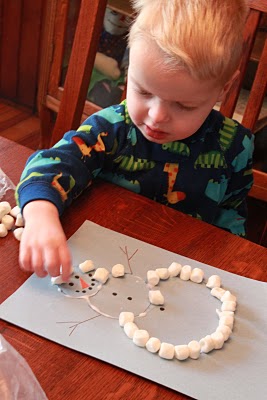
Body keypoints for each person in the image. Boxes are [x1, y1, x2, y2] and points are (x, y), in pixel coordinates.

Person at [16, 0, 254, 281]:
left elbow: (231, 216)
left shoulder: (235, 147)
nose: (156, 117)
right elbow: (51, 163)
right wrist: (41, 215)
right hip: (98, 260)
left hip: (177, 274)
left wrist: (229, 265)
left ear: (222, 90)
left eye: (184, 106)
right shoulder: (111, 128)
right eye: (142, 91)